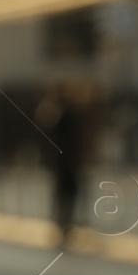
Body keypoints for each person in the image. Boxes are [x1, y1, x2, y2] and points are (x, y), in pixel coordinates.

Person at [38, 83, 88, 248]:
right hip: (66, 165)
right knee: (66, 196)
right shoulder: (63, 116)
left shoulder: (62, 116)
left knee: (65, 196)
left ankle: (65, 228)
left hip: (65, 165)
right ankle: (64, 228)